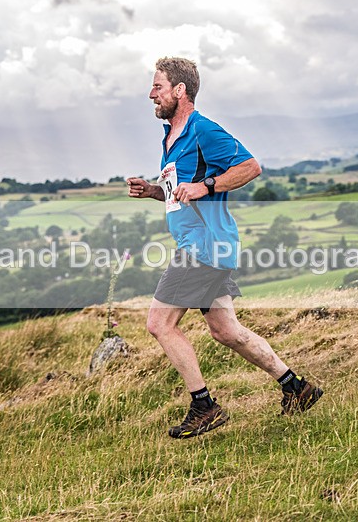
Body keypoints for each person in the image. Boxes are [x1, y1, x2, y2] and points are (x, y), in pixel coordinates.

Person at [127, 57, 322, 439]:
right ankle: (295, 387)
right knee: (226, 330)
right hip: (202, 245)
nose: (152, 94)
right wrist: (154, 191)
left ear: (180, 91)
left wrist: (209, 185)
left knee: (159, 324)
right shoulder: (171, 137)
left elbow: (250, 167)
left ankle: (205, 406)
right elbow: (180, 194)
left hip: (204, 247)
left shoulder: (204, 131)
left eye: (158, 86)